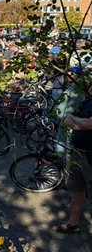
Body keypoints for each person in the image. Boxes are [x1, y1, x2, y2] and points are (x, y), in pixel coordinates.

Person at [52, 84, 92, 233]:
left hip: (90, 156)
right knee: (78, 189)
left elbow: (88, 123)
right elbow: (67, 120)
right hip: (78, 153)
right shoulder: (86, 102)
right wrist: (81, 123)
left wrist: (78, 122)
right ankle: (73, 223)